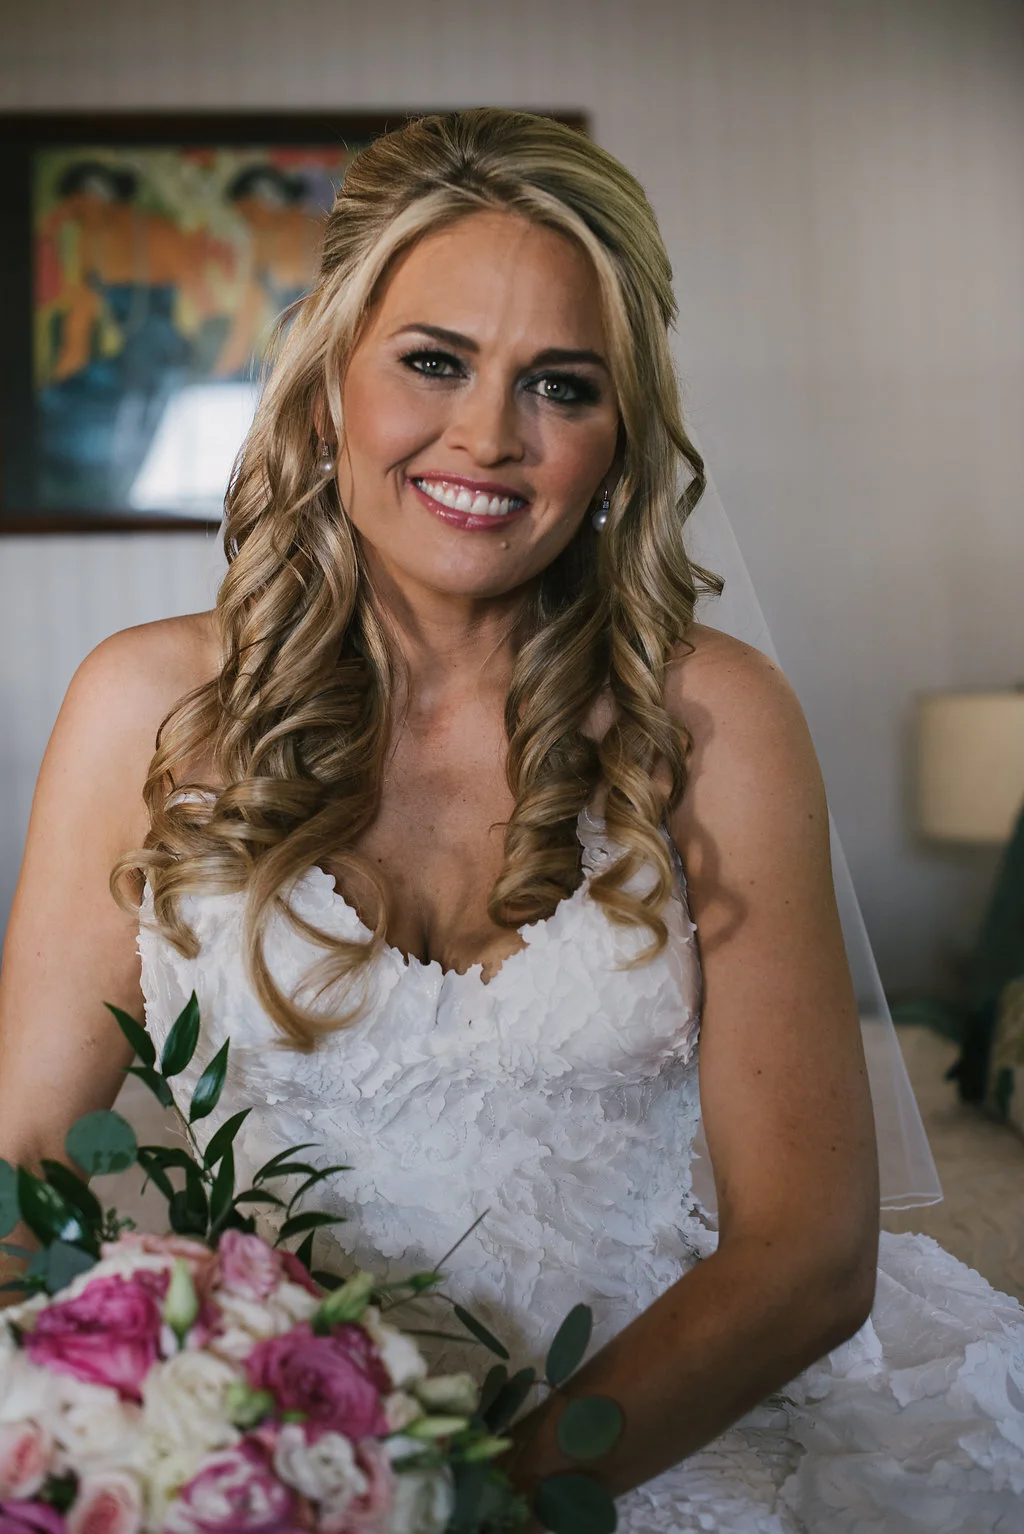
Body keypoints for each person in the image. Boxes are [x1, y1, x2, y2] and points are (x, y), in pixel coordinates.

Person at [1, 109, 1021, 1532]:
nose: (488, 436)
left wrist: (476, 1508)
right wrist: (140, 1439)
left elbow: (805, 1254)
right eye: (434, 361)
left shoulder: (717, 722)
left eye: (561, 384)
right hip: (279, 1452)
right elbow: (24, 1167)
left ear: (621, 437)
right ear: (329, 385)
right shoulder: (144, 709)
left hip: (648, 1432)